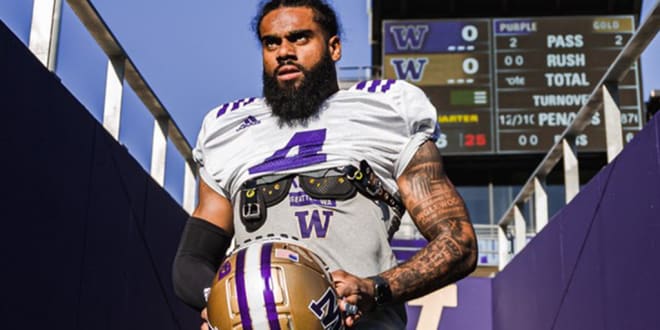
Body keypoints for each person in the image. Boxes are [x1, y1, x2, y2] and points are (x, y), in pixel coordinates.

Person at [172, 0, 478, 329]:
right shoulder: (228, 130)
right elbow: (192, 260)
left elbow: (458, 241)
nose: (284, 51)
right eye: (271, 42)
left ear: (334, 47)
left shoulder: (386, 110)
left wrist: (375, 288)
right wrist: (224, 302)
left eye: (300, 38)